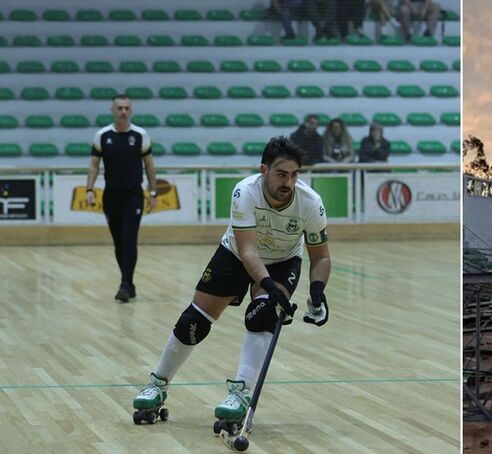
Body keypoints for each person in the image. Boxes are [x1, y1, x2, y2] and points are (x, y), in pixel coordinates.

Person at [131, 136, 332, 427]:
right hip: (236, 254)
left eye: (294, 175)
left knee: (261, 314)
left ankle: (240, 393)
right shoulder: (245, 192)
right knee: (193, 322)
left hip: (283, 261)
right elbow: (248, 251)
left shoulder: (311, 203)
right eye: (281, 174)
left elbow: (321, 258)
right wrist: (270, 285)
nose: (288, 182)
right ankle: (158, 384)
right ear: (264, 171)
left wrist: (317, 291)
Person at [86, 94, 157, 302]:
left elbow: (150, 166)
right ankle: (129, 283)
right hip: (111, 197)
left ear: (131, 111)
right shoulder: (102, 136)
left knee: (129, 238)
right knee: (118, 242)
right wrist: (89, 189)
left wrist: (153, 192)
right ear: (113, 110)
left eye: (127, 108)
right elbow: (93, 165)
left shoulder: (141, 135)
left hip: (134, 196)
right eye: (119, 108)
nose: (123, 111)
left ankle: (125, 284)